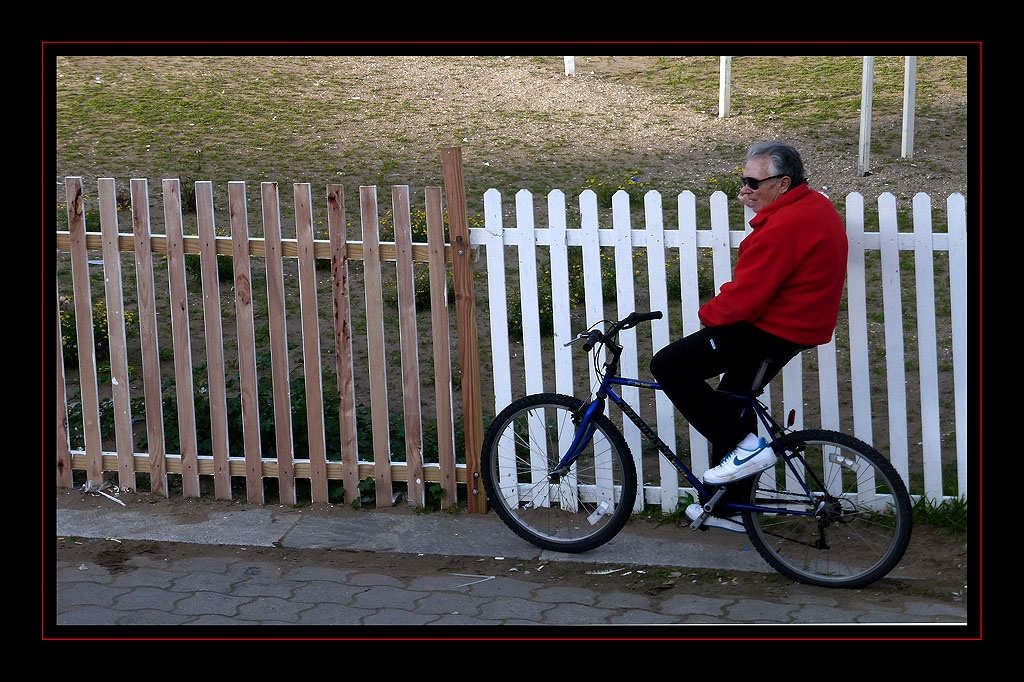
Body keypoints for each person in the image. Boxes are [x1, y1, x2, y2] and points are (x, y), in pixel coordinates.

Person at [649, 141, 849, 532]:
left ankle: (746, 447)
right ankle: (730, 508)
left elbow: (745, 300)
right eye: (743, 181)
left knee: (668, 364)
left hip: (773, 329)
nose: (745, 190)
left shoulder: (784, 226)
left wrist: (708, 316)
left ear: (783, 182)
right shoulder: (811, 207)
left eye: (753, 183)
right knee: (730, 400)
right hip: (797, 326)